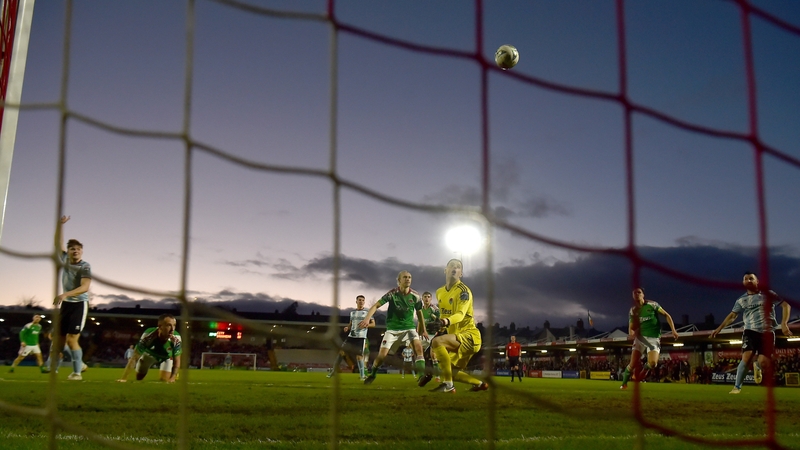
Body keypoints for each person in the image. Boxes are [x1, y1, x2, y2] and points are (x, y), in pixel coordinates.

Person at [710, 272, 793, 394]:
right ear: (743, 283)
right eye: (745, 279)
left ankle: (758, 366)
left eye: (751, 278)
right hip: (750, 331)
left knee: (764, 363)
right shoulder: (741, 300)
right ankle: (737, 387)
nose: (748, 280)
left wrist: (784, 323)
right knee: (746, 356)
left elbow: (786, 306)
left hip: (768, 332)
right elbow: (733, 315)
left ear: (757, 281)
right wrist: (719, 328)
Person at [423, 259, 487, 393]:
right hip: (456, 337)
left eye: (458, 267)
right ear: (445, 270)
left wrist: (444, 322)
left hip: (470, 336)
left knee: (437, 342)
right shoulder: (440, 292)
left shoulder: (464, 291)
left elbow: (460, 315)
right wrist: (438, 326)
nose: (454, 268)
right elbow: (444, 315)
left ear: (461, 274)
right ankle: (480, 384)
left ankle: (448, 386)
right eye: (452, 266)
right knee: (450, 372)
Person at [358, 271, 428, 385]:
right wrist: (367, 319)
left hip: (409, 328)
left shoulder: (415, 296)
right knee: (382, 356)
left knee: (418, 348)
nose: (408, 279)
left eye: (410, 277)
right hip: (392, 329)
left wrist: (423, 330)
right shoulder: (392, 294)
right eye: (405, 277)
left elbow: (419, 313)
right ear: (399, 280)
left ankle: (421, 377)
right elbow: (376, 305)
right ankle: (373, 374)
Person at [51, 215, 92, 381]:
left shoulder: (85, 266)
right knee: (60, 340)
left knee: (72, 339)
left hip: (79, 304)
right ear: (67, 251)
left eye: (78, 249)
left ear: (81, 252)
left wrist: (65, 294)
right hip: (66, 305)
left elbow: (85, 287)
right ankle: (67, 366)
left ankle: (77, 373)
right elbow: (57, 243)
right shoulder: (65, 259)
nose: (75, 251)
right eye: (72, 249)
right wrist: (60, 225)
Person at [620, 287, 679, 390]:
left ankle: (645, 370)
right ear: (633, 296)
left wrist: (673, 330)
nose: (637, 294)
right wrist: (631, 334)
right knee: (632, 364)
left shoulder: (653, 305)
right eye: (634, 293)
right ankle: (624, 384)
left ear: (643, 295)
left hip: (653, 339)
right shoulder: (633, 311)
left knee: (653, 363)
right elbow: (631, 326)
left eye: (639, 292)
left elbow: (666, 315)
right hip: (640, 339)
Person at [117, 314, 182, 383]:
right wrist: (124, 378)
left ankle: (174, 374)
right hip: (149, 356)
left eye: (174, 325)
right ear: (160, 327)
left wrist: (172, 377)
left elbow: (177, 360)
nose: (172, 329)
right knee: (139, 377)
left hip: (167, 357)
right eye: (169, 325)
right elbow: (135, 357)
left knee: (164, 380)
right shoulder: (148, 335)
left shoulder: (176, 338)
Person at [327, 295, 375, 379]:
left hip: (361, 337)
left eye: (363, 300)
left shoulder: (368, 312)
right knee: (341, 353)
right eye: (359, 300)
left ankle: (362, 376)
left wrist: (366, 325)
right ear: (356, 301)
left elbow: (373, 324)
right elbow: (351, 323)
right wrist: (347, 327)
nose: (361, 301)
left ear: (364, 302)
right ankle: (333, 371)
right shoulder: (352, 312)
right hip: (351, 336)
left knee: (359, 356)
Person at [418, 291, 442, 382]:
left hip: (433, 335)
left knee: (433, 356)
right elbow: (420, 322)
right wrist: (418, 332)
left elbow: (439, 322)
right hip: (423, 335)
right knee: (419, 352)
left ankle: (438, 376)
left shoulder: (434, 309)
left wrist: (437, 329)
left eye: (428, 297)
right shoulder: (420, 309)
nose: (427, 298)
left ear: (431, 299)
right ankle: (422, 374)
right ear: (422, 298)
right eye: (425, 296)